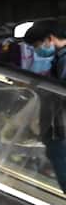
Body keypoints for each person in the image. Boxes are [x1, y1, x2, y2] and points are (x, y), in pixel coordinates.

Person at [24, 19, 66, 192]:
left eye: (37, 44)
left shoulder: (64, 59)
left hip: (61, 129)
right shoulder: (59, 58)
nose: (36, 50)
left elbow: (61, 92)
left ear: (50, 38)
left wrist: (38, 87)